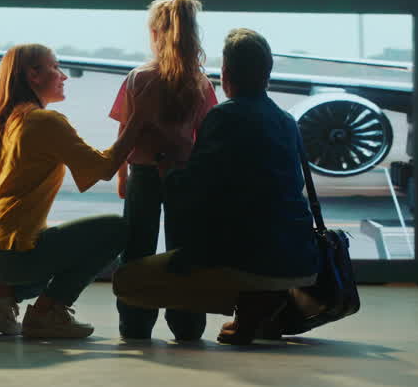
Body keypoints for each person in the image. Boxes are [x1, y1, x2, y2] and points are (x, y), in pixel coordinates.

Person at [112, 28, 320, 345]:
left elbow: (192, 190)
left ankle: (249, 305)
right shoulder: (286, 121)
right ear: (267, 74)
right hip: (299, 258)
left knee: (130, 279)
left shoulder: (225, 117)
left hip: (252, 258)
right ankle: (257, 309)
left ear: (225, 74)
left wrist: (164, 160)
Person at [0, 43, 153, 339]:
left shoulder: (10, 120)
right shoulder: (45, 121)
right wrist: (136, 121)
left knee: (65, 244)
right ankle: (47, 312)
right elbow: (102, 167)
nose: (64, 76)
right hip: (10, 254)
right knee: (115, 231)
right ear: (34, 75)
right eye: (55, 67)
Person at [108, 0, 218, 341]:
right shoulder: (200, 83)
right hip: (184, 176)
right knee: (184, 250)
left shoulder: (139, 78)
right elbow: (208, 136)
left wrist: (123, 175)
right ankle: (188, 324)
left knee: (137, 251)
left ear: (155, 33)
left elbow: (125, 132)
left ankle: (136, 323)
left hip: (144, 173)